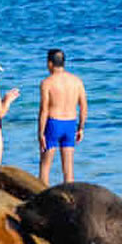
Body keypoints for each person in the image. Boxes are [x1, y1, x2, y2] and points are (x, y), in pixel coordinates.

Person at [38, 48, 87, 185]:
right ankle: (70, 202)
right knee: (68, 170)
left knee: (45, 166)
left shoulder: (47, 82)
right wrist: (81, 128)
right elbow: (83, 106)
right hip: (70, 124)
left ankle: (42, 199)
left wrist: (41, 133)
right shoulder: (77, 81)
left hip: (53, 124)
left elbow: (44, 110)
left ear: (50, 64)